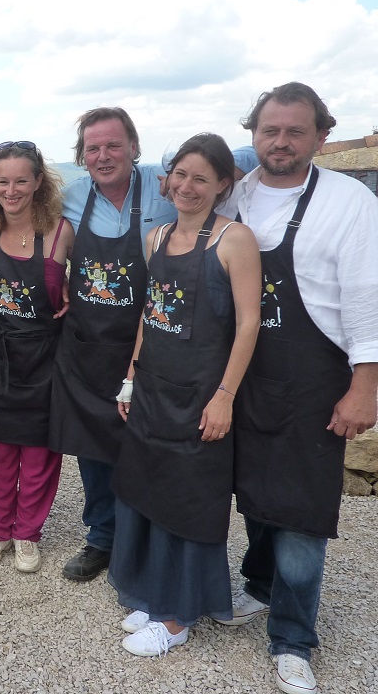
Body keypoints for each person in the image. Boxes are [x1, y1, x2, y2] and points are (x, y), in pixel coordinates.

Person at [216, 83, 378, 694]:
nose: (280, 142)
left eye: (295, 132)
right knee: (256, 489)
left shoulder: (350, 202)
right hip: (249, 373)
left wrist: (366, 387)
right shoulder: (239, 195)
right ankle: (259, 585)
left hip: (313, 376)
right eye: (269, 131)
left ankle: (293, 637)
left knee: (305, 508)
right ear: (253, 133)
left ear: (321, 137)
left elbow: (367, 296)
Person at [110, 133, 261, 657]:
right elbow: (151, 318)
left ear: (224, 183)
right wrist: (130, 378)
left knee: (190, 500)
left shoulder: (234, 240)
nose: (187, 186)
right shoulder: (156, 238)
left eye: (201, 178)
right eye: (180, 174)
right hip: (153, 387)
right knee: (148, 488)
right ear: (167, 177)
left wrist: (225, 396)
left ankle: (179, 616)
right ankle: (155, 595)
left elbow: (248, 325)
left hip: (202, 395)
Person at [48, 107, 175, 582]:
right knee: (93, 445)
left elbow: (232, 171)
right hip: (89, 343)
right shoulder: (70, 195)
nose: (103, 156)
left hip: (152, 340)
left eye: (113, 145)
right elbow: (32, 230)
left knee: (147, 444)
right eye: (93, 148)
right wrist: (52, 276)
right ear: (82, 155)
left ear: (134, 147)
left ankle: (143, 538)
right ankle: (102, 536)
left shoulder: (166, 185)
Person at [0, 141, 73, 572]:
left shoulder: (60, 233)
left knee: (38, 453)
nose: (10, 190)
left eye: (20, 181)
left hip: (45, 355)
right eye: (2, 181)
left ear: (38, 182)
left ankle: (27, 532)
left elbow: (86, 285)